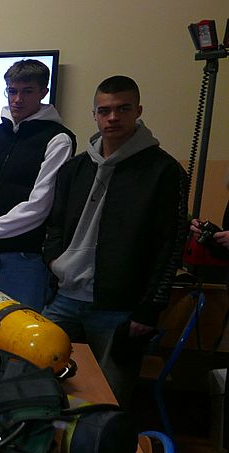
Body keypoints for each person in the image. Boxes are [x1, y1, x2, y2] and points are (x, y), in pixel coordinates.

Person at [43, 75, 185, 405]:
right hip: (65, 297)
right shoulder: (76, 168)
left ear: (138, 111)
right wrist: (52, 258)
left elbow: (170, 245)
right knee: (42, 383)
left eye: (123, 109)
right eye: (104, 110)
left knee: (109, 397)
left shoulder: (163, 171)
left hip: (119, 307)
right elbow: (55, 223)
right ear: (94, 114)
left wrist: (149, 309)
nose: (113, 118)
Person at [0, 59, 75, 310]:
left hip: (24, 258)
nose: (17, 99)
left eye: (27, 91)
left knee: (21, 330)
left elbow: (39, 206)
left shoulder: (58, 139)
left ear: (43, 92)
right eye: (12, 91)